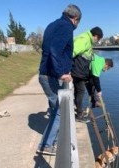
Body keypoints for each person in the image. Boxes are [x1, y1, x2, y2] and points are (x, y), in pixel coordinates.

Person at [36, 4, 82, 155]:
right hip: (51, 75)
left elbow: (48, 48)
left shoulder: (52, 25)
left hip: (46, 74)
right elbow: (55, 50)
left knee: (56, 109)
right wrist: (61, 72)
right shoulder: (66, 27)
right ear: (75, 19)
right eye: (78, 23)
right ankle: (46, 145)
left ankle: (53, 141)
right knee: (61, 110)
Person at [71, 27, 103, 122]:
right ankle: (80, 115)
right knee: (81, 91)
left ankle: (78, 109)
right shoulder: (84, 39)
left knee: (78, 91)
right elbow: (71, 53)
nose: (97, 42)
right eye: (98, 39)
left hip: (80, 71)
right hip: (78, 71)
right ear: (96, 36)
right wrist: (66, 69)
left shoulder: (87, 39)